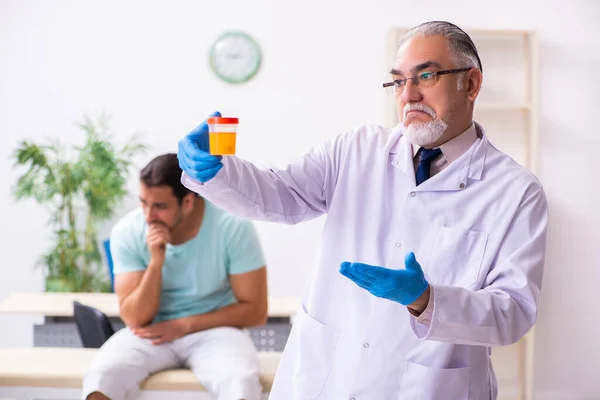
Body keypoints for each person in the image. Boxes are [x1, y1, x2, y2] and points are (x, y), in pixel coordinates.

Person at [177, 21, 548, 400]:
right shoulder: (355, 150)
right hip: (327, 377)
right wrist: (217, 170)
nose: (409, 95)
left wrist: (427, 300)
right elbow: (278, 195)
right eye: (399, 81)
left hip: (431, 386)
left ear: (470, 84)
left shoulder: (515, 192)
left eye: (426, 75)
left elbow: (513, 313)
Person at [82, 153, 268, 400]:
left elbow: (255, 311)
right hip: (151, 331)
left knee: (240, 381)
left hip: (216, 330)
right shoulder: (127, 232)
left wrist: (183, 326)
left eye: (159, 206)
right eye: (143, 203)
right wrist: (156, 263)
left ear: (188, 201)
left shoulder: (232, 226)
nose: (148, 216)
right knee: (101, 377)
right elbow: (135, 318)